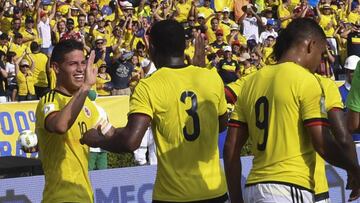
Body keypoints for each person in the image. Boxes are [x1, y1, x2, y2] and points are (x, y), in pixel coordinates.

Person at [80, 20, 229, 202]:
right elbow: (221, 125)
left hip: (173, 195)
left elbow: (130, 142)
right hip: (214, 190)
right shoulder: (211, 78)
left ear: (152, 48)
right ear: (185, 46)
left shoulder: (149, 86)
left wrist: (96, 140)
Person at [224, 18, 360, 203]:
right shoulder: (306, 80)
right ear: (311, 45)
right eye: (321, 54)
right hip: (289, 187)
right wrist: (354, 169)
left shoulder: (251, 82)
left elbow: (231, 148)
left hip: (254, 188)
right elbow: (322, 142)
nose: (320, 62)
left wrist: (237, 200)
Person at [35, 39, 98, 202]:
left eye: (83, 63)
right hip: (60, 198)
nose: (80, 69)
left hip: (86, 196)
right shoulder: (49, 100)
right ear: (56, 68)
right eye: (73, 64)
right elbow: (60, 126)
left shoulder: (88, 104)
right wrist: (85, 87)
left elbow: (110, 134)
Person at [340, 55, 360, 143]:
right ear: (346, 72)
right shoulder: (338, 92)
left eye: (356, 71)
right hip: (350, 142)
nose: (354, 74)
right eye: (352, 71)